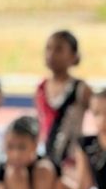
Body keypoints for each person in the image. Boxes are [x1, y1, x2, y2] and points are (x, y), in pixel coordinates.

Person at [36, 30, 90, 168]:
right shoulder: (41, 88)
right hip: (47, 158)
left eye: (59, 49)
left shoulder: (81, 89)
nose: (51, 54)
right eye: (48, 48)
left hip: (72, 160)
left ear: (73, 56)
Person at [72, 90, 106, 189]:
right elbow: (83, 185)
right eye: (97, 114)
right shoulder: (86, 144)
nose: (102, 120)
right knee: (61, 186)